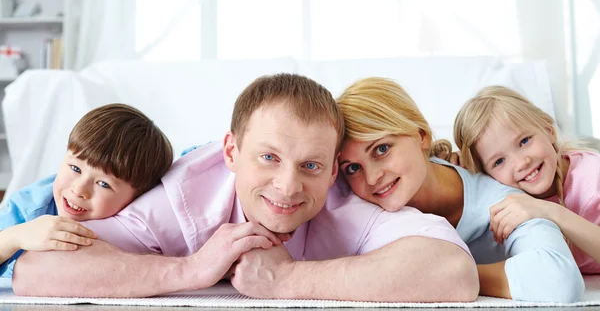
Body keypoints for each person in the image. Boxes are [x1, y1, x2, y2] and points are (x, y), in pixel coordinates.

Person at [12, 73, 478, 302]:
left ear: (333, 170)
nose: (289, 187)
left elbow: (454, 272)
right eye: (269, 158)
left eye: (311, 165)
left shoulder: (345, 197)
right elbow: (37, 270)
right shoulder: (183, 194)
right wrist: (189, 270)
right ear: (232, 153)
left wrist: (289, 280)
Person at [336, 77, 584, 302]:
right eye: (353, 167)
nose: (371, 178)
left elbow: (558, 280)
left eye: (381, 149)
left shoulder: (503, 200)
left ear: (421, 135)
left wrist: (449, 275)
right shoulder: (350, 198)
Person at [0, 103, 174, 277]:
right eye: (75, 168)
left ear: (137, 197)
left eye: (103, 184)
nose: (79, 189)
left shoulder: (142, 221)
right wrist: (15, 237)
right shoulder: (29, 209)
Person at [452, 85, 600, 274]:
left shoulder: (592, 179)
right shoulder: (502, 196)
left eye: (524, 141)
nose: (522, 163)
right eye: (499, 161)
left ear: (549, 130)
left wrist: (551, 212)